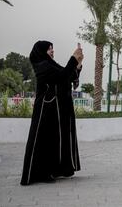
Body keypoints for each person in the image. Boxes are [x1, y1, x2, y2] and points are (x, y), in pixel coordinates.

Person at [21, 41, 84, 185]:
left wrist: (78, 64)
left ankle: (53, 170)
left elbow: (67, 76)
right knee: (43, 140)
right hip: (45, 109)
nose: (52, 51)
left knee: (54, 140)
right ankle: (41, 173)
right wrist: (73, 58)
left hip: (54, 109)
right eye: (49, 49)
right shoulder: (42, 65)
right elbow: (62, 75)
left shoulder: (50, 64)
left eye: (52, 48)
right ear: (41, 51)